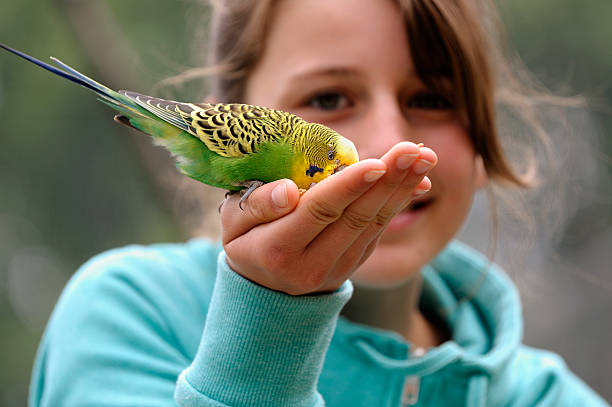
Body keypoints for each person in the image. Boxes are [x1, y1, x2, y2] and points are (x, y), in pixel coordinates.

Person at [29, 0, 608, 406]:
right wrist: (269, 317)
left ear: (486, 143)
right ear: (237, 105)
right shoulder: (127, 315)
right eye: (328, 97)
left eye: (431, 97)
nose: (385, 142)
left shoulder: (549, 399)